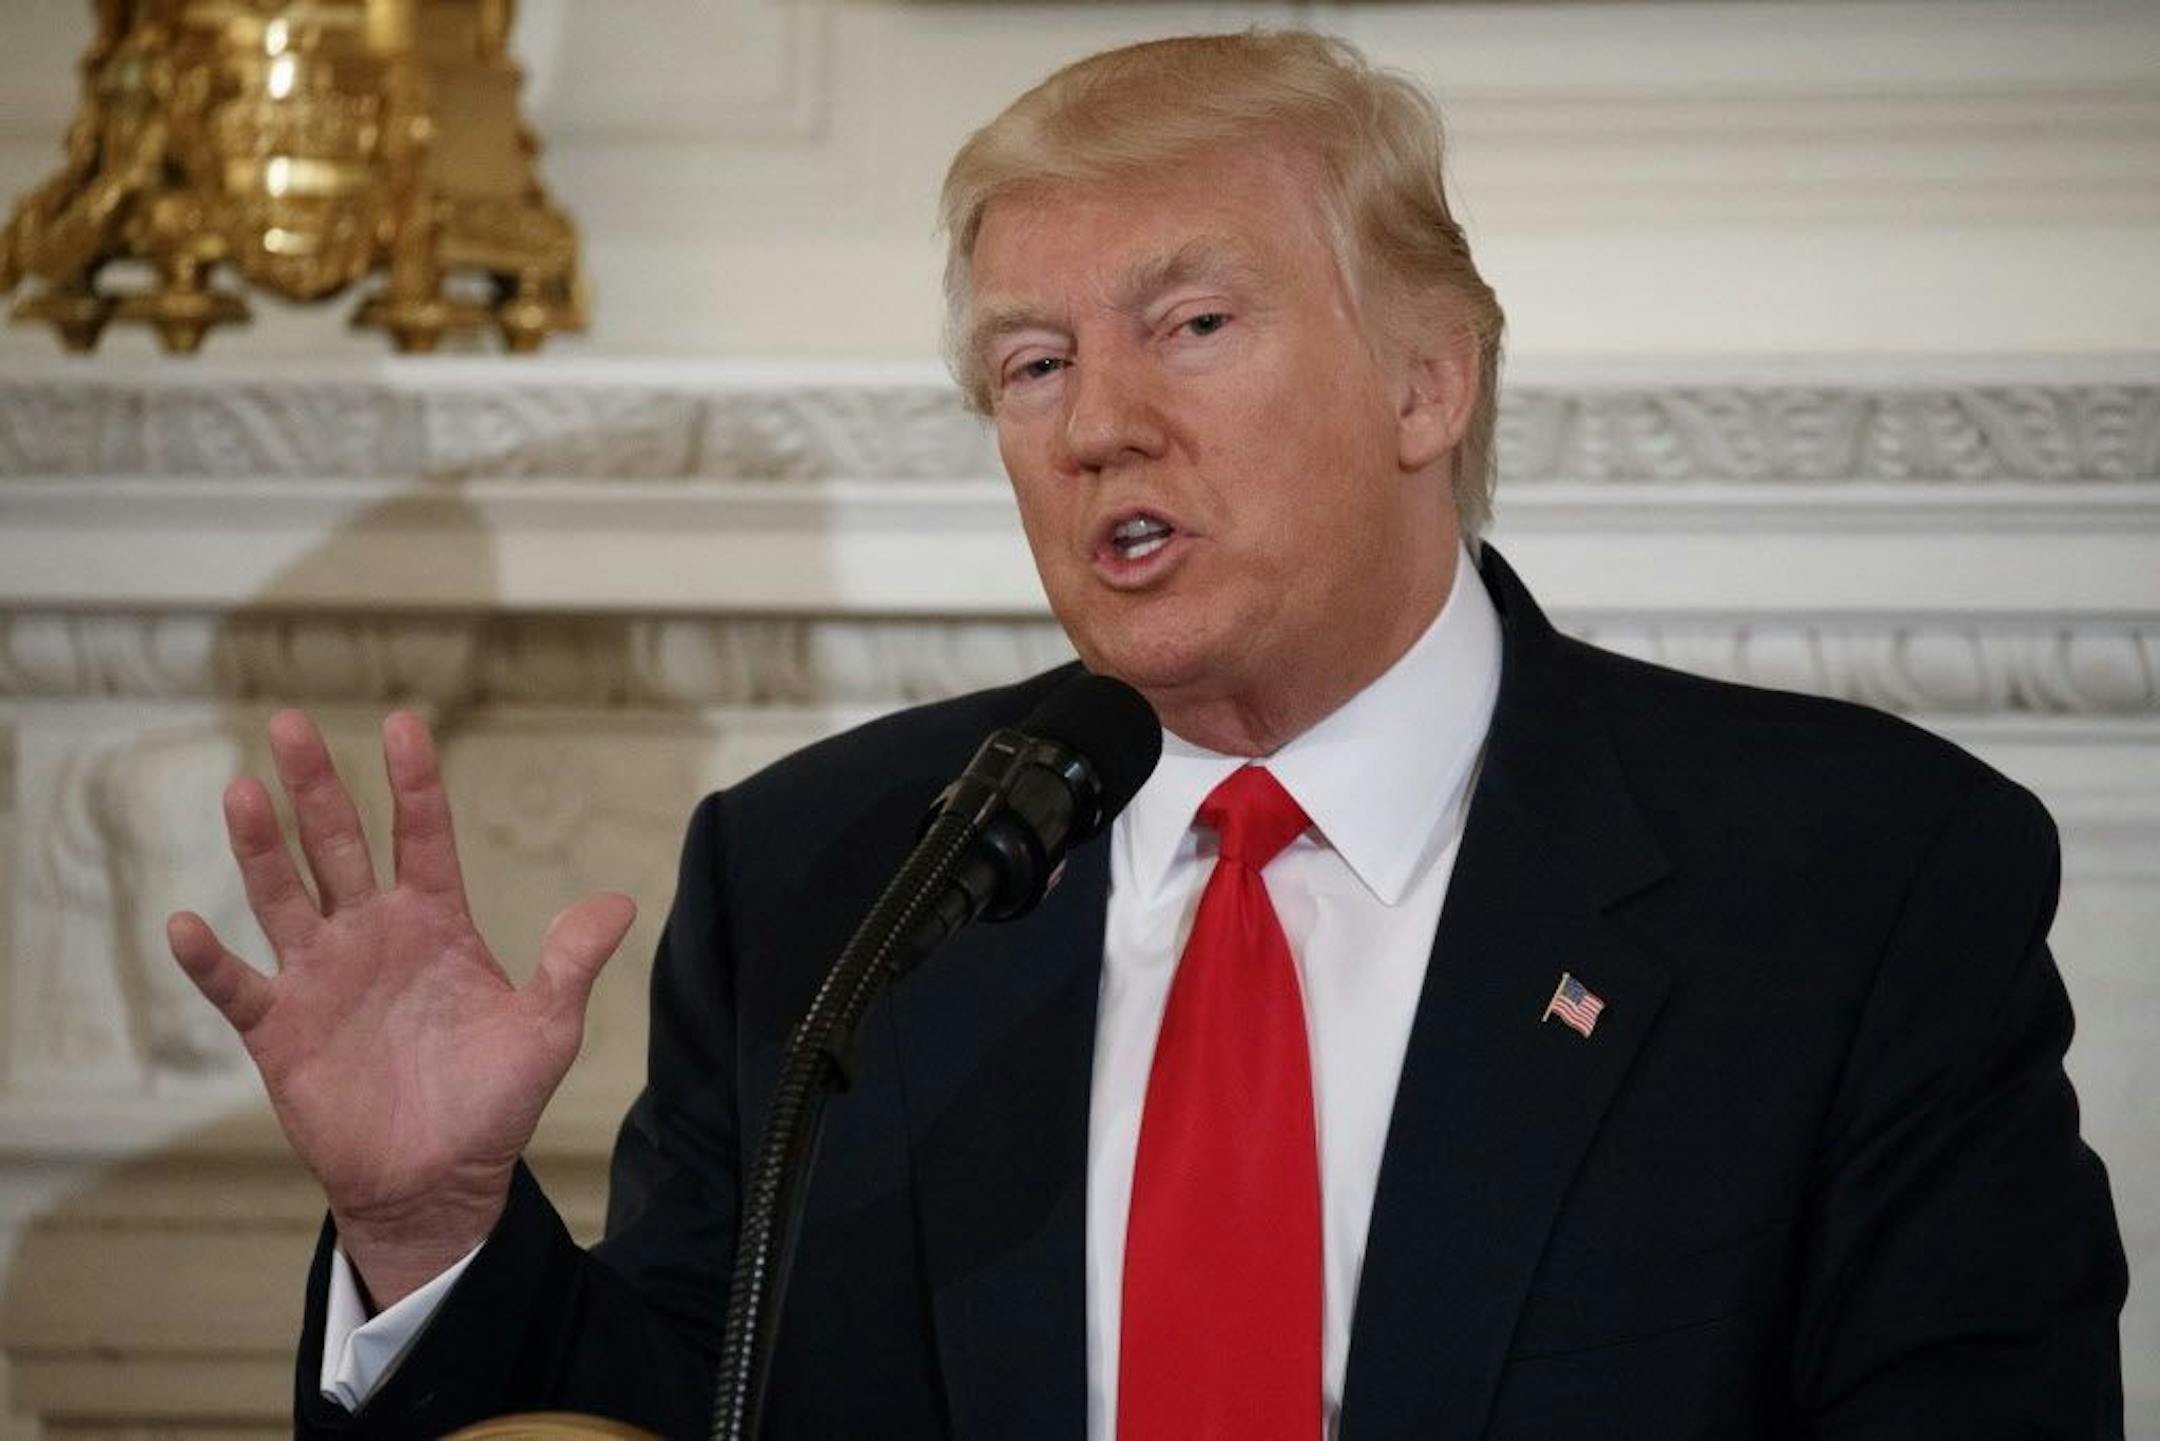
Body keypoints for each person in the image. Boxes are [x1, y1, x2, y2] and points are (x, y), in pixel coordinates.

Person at [168, 31, 2126, 1441]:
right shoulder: (829, 884)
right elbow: (682, 1415)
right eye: (1032, 364)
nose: (1097, 417)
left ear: (1427, 376)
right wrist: (428, 1230)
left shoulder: (1856, 884)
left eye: (1189, 325)